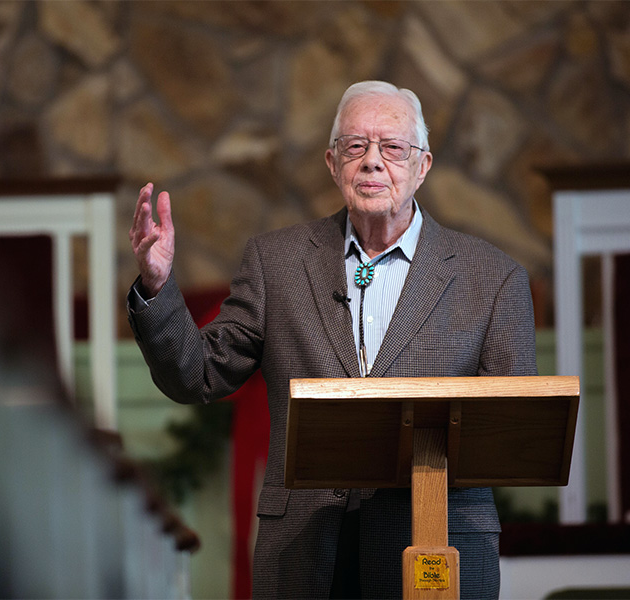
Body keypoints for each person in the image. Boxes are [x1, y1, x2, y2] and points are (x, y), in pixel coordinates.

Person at [127, 80, 537, 599]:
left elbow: (514, 429)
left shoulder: (492, 277)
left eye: (392, 147)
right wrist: (157, 288)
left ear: (422, 166)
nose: (372, 162)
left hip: (436, 548)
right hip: (306, 553)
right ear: (331, 162)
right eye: (355, 146)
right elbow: (198, 374)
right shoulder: (277, 263)